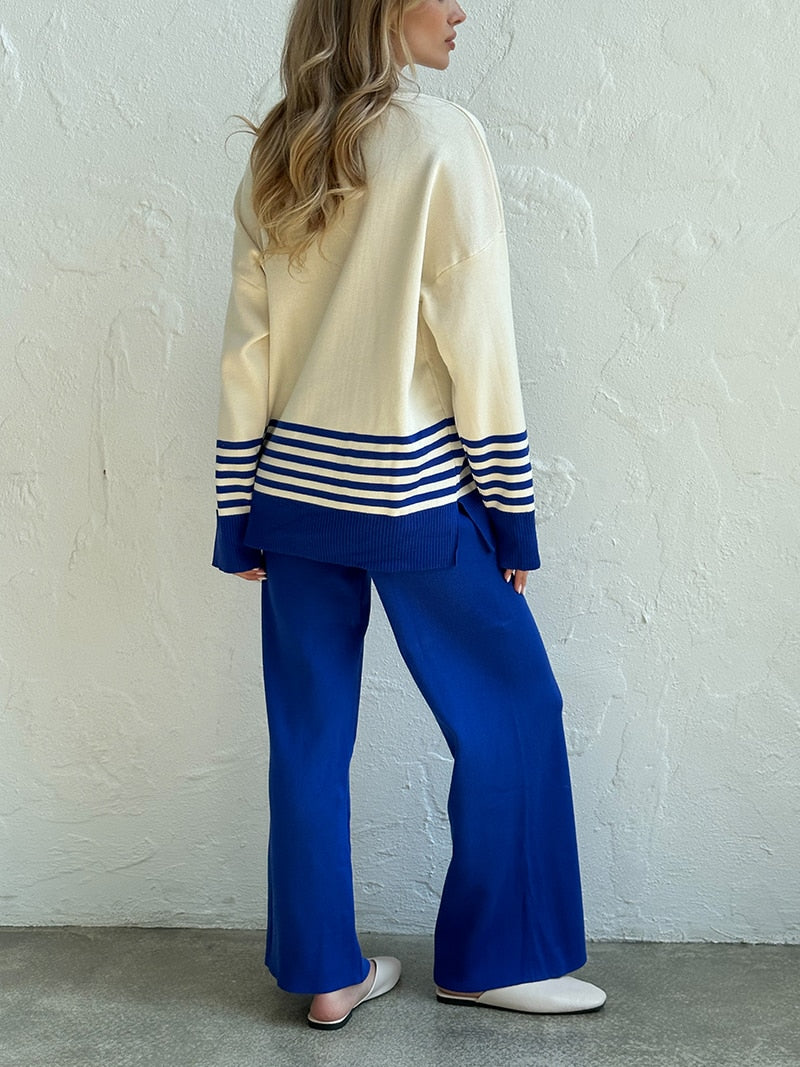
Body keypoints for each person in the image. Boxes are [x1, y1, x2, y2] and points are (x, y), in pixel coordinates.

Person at [212, 0, 606, 1030]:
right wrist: (512, 517)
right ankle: (494, 957)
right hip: (410, 495)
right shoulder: (439, 138)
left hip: (291, 496)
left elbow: (248, 345)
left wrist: (235, 512)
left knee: (308, 736)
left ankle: (325, 972)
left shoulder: (278, 150)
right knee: (513, 709)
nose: (460, 8)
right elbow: (478, 335)